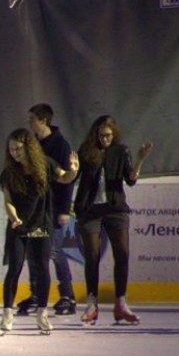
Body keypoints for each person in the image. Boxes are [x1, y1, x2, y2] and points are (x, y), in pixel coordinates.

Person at [0, 128, 79, 333]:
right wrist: (14, 217)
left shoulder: (45, 164)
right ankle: (7, 313)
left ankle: (42, 314)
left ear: (28, 148)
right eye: (11, 149)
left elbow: (64, 178)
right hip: (18, 225)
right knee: (14, 267)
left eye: (18, 149)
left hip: (41, 225)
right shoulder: (9, 173)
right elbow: (8, 200)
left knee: (42, 268)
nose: (15, 153)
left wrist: (74, 171)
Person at [73, 115, 153, 325]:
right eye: (100, 136)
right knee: (91, 255)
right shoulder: (86, 151)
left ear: (113, 134)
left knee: (123, 253)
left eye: (108, 136)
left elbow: (131, 179)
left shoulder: (121, 151)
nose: (104, 140)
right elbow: (71, 177)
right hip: (90, 210)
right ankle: (92, 303)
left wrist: (140, 159)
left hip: (115, 209)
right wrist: (71, 169)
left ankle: (121, 303)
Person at [22, 103, 77, 316]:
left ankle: (67, 294)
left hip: (53, 208)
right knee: (34, 252)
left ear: (43, 120)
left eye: (32, 119)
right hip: (36, 208)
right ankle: (36, 293)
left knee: (53, 250)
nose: (30, 123)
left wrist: (64, 209)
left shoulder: (60, 145)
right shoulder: (34, 144)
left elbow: (67, 179)